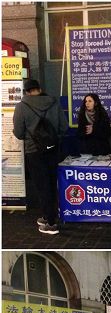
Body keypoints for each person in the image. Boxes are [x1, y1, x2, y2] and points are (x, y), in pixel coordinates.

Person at [13, 78, 68, 235]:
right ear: (39, 88)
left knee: (41, 186)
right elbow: (63, 127)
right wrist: (52, 138)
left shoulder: (22, 107)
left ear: (27, 92)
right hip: (52, 150)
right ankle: (48, 215)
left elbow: (18, 133)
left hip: (34, 152)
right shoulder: (53, 103)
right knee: (51, 183)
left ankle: (51, 223)